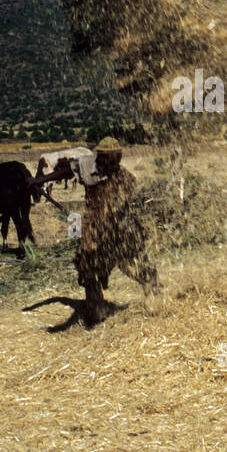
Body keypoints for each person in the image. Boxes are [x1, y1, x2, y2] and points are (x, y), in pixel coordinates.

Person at [33, 137, 160, 328]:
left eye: (114, 160)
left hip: (119, 228)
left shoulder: (124, 177)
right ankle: (96, 309)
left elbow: (132, 205)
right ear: (101, 156)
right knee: (87, 266)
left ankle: (154, 293)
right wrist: (41, 179)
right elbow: (67, 171)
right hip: (93, 227)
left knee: (131, 265)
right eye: (107, 159)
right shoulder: (86, 165)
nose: (111, 164)